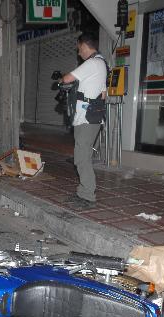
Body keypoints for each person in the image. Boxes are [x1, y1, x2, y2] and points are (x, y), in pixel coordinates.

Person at [60, 33, 107, 209]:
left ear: (85, 46)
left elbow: (67, 79)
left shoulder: (92, 63)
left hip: (87, 118)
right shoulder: (102, 64)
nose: (79, 53)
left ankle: (87, 195)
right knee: (83, 156)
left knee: (81, 158)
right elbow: (103, 93)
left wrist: (60, 80)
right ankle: (84, 191)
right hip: (91, 117)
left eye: (79, 49)